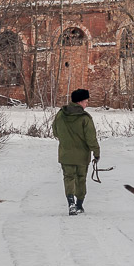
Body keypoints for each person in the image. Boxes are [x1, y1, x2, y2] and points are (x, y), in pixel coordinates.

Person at [51, 88, 100, 216]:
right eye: (85, 101)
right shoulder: (85, 118)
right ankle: (79, 204)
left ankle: (70, 203)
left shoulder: (61, 114)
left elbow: (55, 131)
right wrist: (96, 152)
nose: (87, 104)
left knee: (68, 178)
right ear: (79, 102)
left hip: (65, 155)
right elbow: (91, 138)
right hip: (82, 156)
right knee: (81, 179)